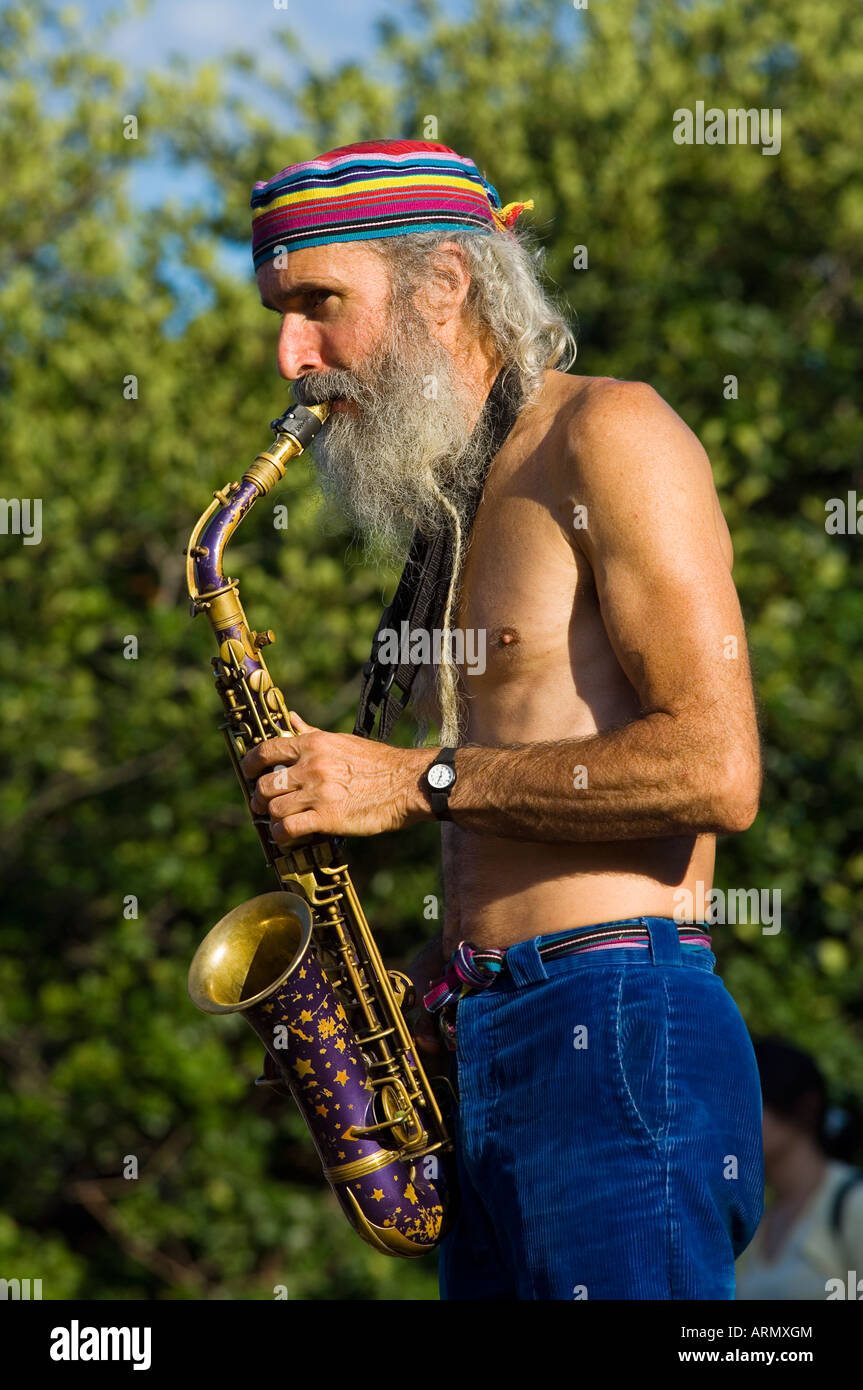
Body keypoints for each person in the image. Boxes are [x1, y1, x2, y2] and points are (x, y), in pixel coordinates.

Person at [241, 137, 765, 1299]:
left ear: (443, 286)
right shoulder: (460, 509)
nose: (292, 356)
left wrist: (416, 780)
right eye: (278, 314)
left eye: (320, 305)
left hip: (616, 1018)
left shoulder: (608, 431)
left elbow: (715, 768)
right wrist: (396, 1006)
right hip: (495, 1037)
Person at [735, 1037, 863, 1300]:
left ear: (804, 1107)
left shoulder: (852, 1205)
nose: (734, 1122)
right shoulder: (754, 1226)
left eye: (749, 1104)